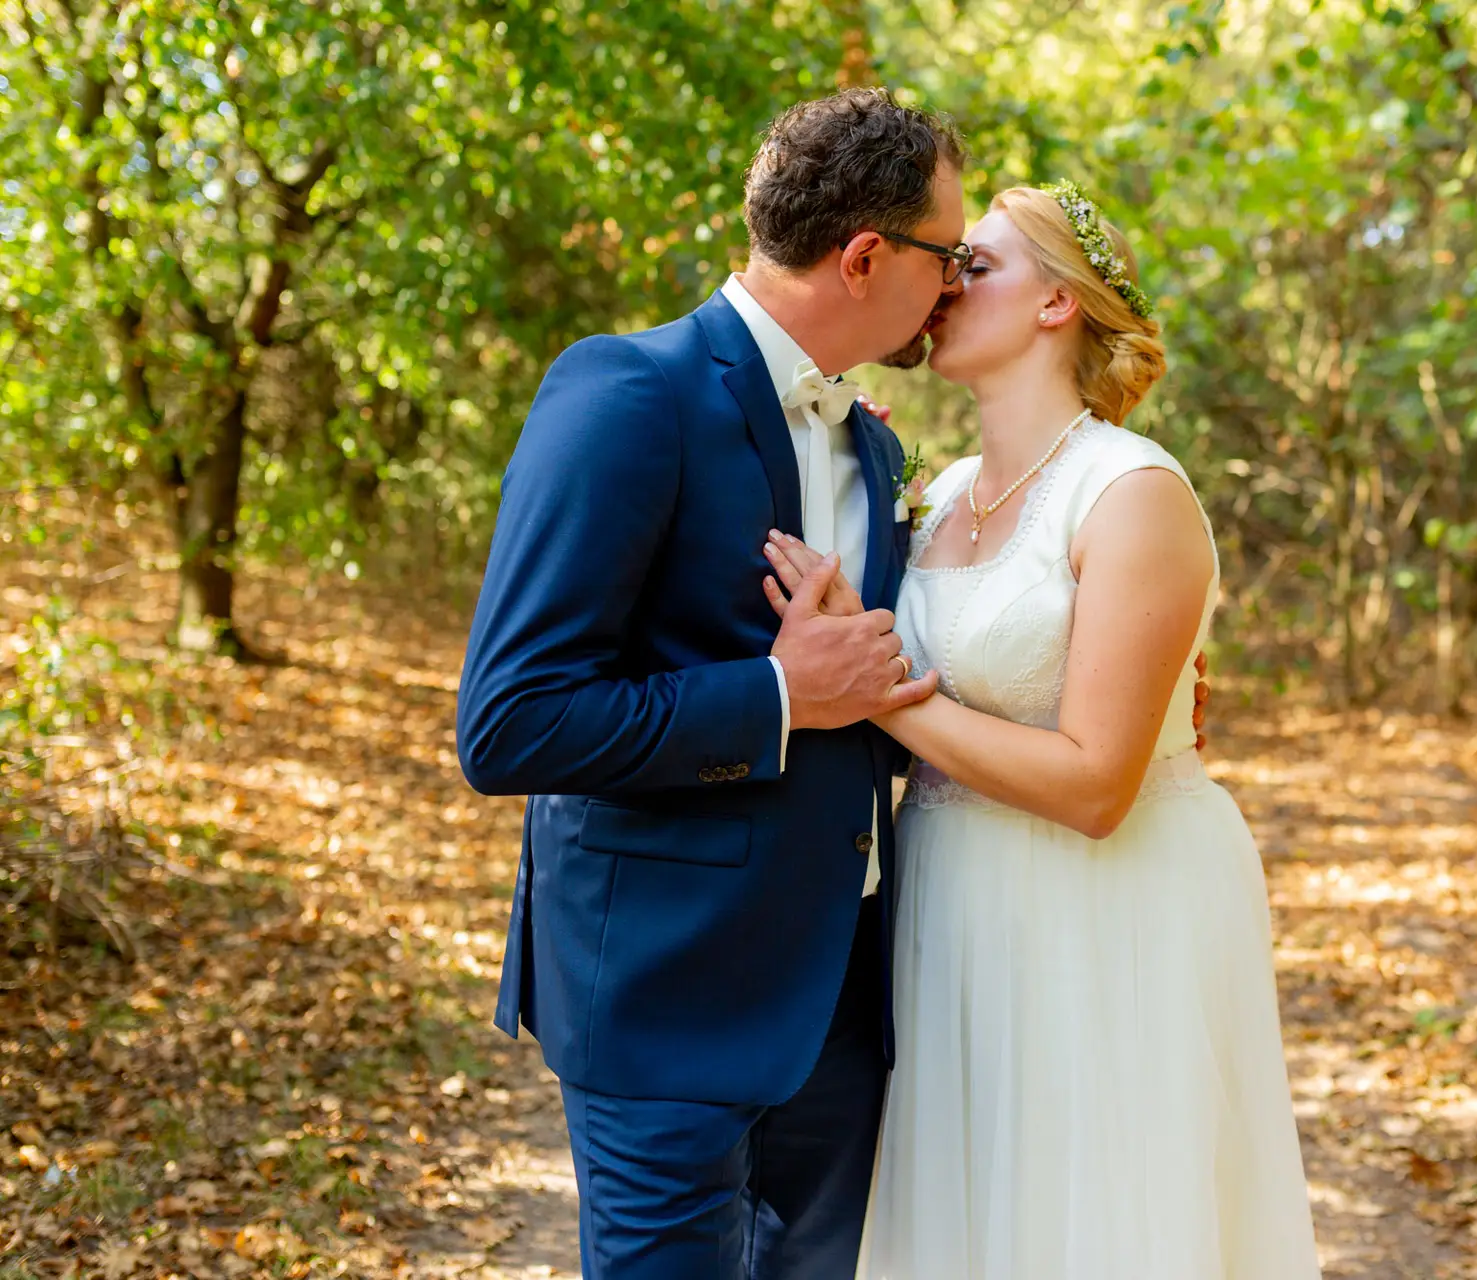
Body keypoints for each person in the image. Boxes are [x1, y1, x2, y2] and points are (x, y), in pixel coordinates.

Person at [761, 182, 1322, 1278]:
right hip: (947, 897)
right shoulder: (936, 493)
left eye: (974, 265)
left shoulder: (1132, 491)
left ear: (1060, 304)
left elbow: (1094, 782)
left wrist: (881, 690)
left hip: (1105, 907)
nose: (941, 284)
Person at [455, 89, 959, 1280]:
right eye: (949, 255)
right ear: (867, 256)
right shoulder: (630, 393)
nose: (956, 283)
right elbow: (510, 720)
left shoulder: (879, 446)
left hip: (841, 1004)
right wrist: (778, 696)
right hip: (662, 996)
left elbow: (877, 704)